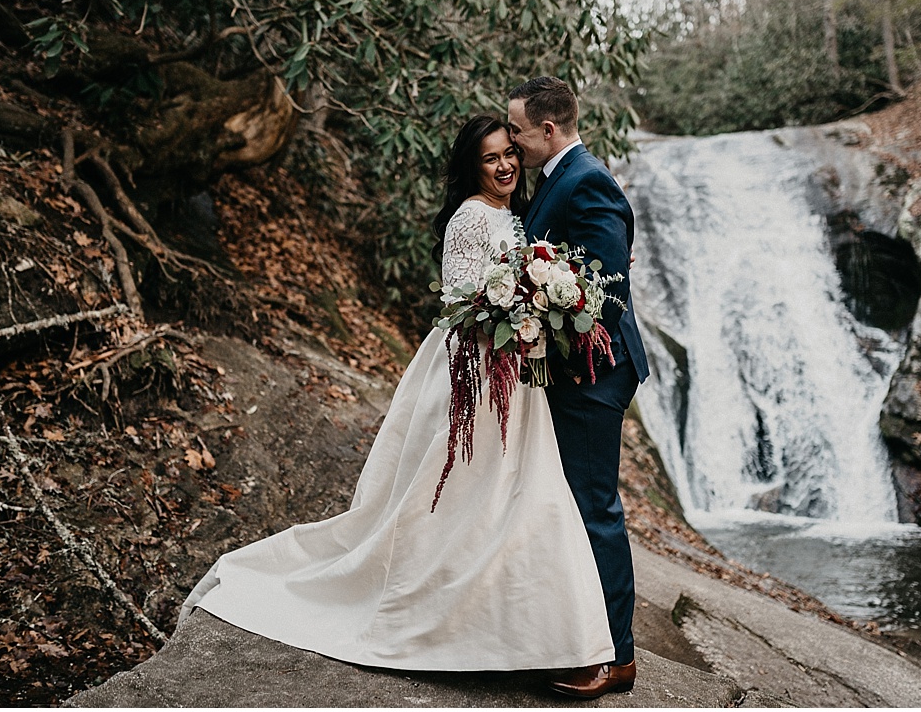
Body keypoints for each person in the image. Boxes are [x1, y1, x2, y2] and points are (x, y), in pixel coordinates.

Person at [183, 114, 618, 675]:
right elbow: (464, 304)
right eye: (490, 158)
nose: (506, 164)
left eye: (510, 151)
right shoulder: (469, 219)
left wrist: (560, 295)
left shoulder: (516, 216)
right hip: (475, 372)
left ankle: (533, 639)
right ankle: (445, 622)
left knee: (520, 499)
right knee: (466, 501)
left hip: (518, 374)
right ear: (472, 166)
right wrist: (521, 308)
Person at [507, 75, 652, 698]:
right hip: (569, 372)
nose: (510, 143)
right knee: (571, 505)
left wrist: (541, 320)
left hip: (594, 373)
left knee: (594, 507)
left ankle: (616, 656)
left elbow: (609, 289)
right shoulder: (553, 181)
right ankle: (575, 637)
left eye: (515, 130)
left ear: (547, 128)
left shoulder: (586, 178)